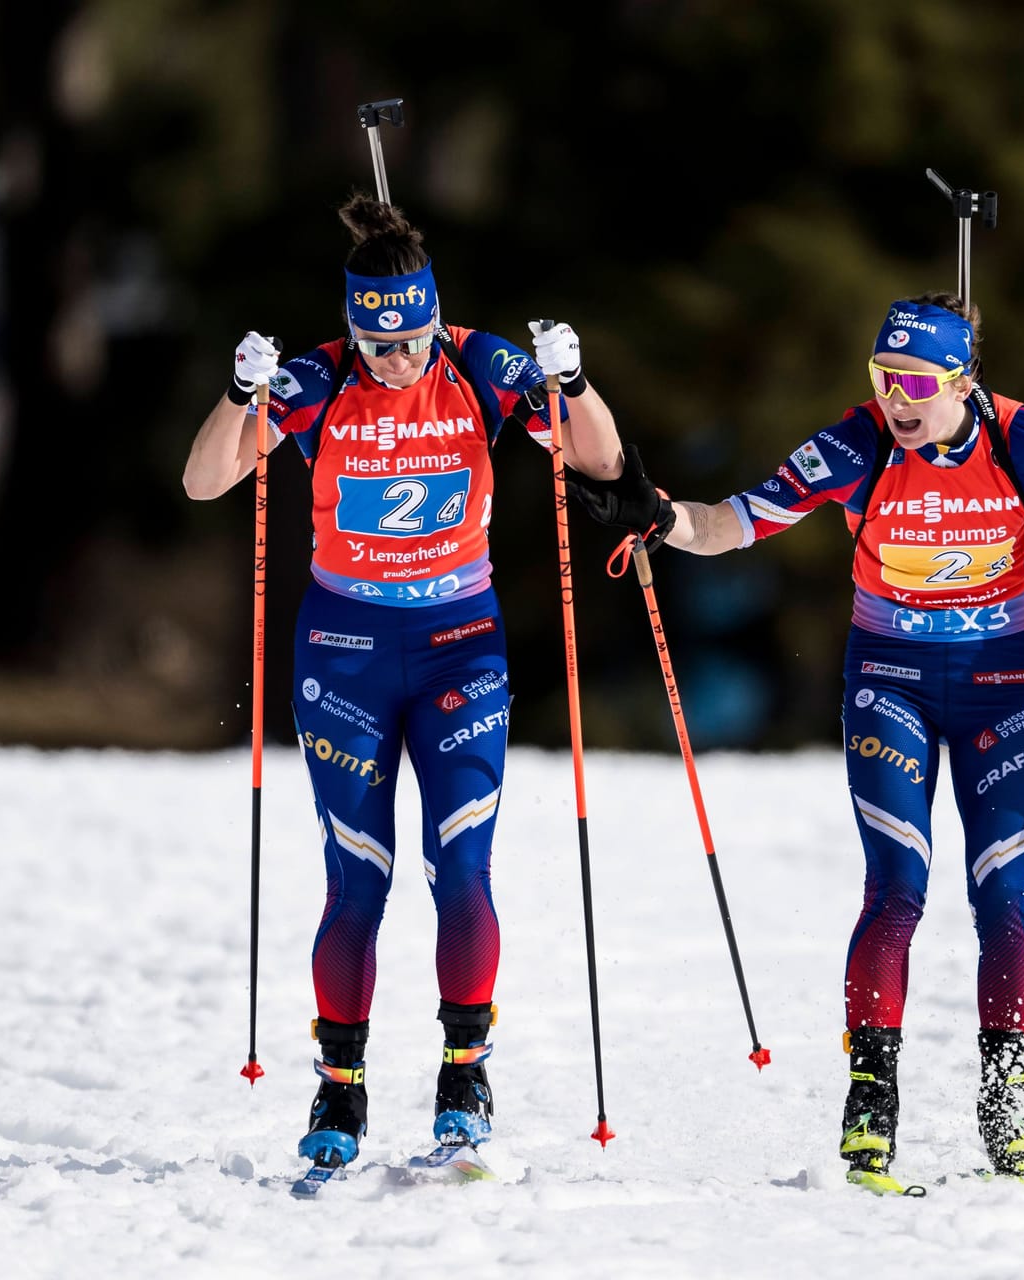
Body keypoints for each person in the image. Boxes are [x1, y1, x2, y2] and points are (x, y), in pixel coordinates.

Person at [568, 295, 1024, 1193]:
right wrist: (659, 514)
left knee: (1005, 897)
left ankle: (1005, 1101)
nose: (897, 400)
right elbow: (735, 522)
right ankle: (871, 1098)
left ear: (963, 381)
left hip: (999, 690)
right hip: (892, 686)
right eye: (883, 378)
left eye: (915, 383)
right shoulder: (856, 445)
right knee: (899, 883)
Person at [182, 194, 623, 1176]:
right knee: (358, 877)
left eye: (411, 339)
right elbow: (205, 480)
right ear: (352, 330)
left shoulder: (479, 364)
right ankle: (340, 1084)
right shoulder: (319, 379)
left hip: (461, 643)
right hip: (343, 650)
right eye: (378, 345)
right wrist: (238, 392)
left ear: (435, 314)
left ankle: (465, 1070)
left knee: (461, 864)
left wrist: (572, 380)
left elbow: (600, 457)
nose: (397, 361)